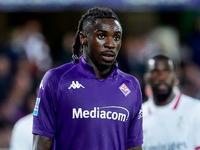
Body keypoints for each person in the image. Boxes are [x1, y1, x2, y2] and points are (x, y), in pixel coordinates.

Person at [32, 6, 143, 150]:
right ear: (83, 38)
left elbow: (134, 146)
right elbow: (42, 144)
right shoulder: (56, 79)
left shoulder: (131, 85)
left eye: (116, 37)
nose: (110, 44)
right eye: (102, 36)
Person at [142, 54, 200, 150]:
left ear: (176, 77)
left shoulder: (196, 110)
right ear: (146, 78)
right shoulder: (137, 117)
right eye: (155, 72)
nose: (161, 77)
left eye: (166, 71)